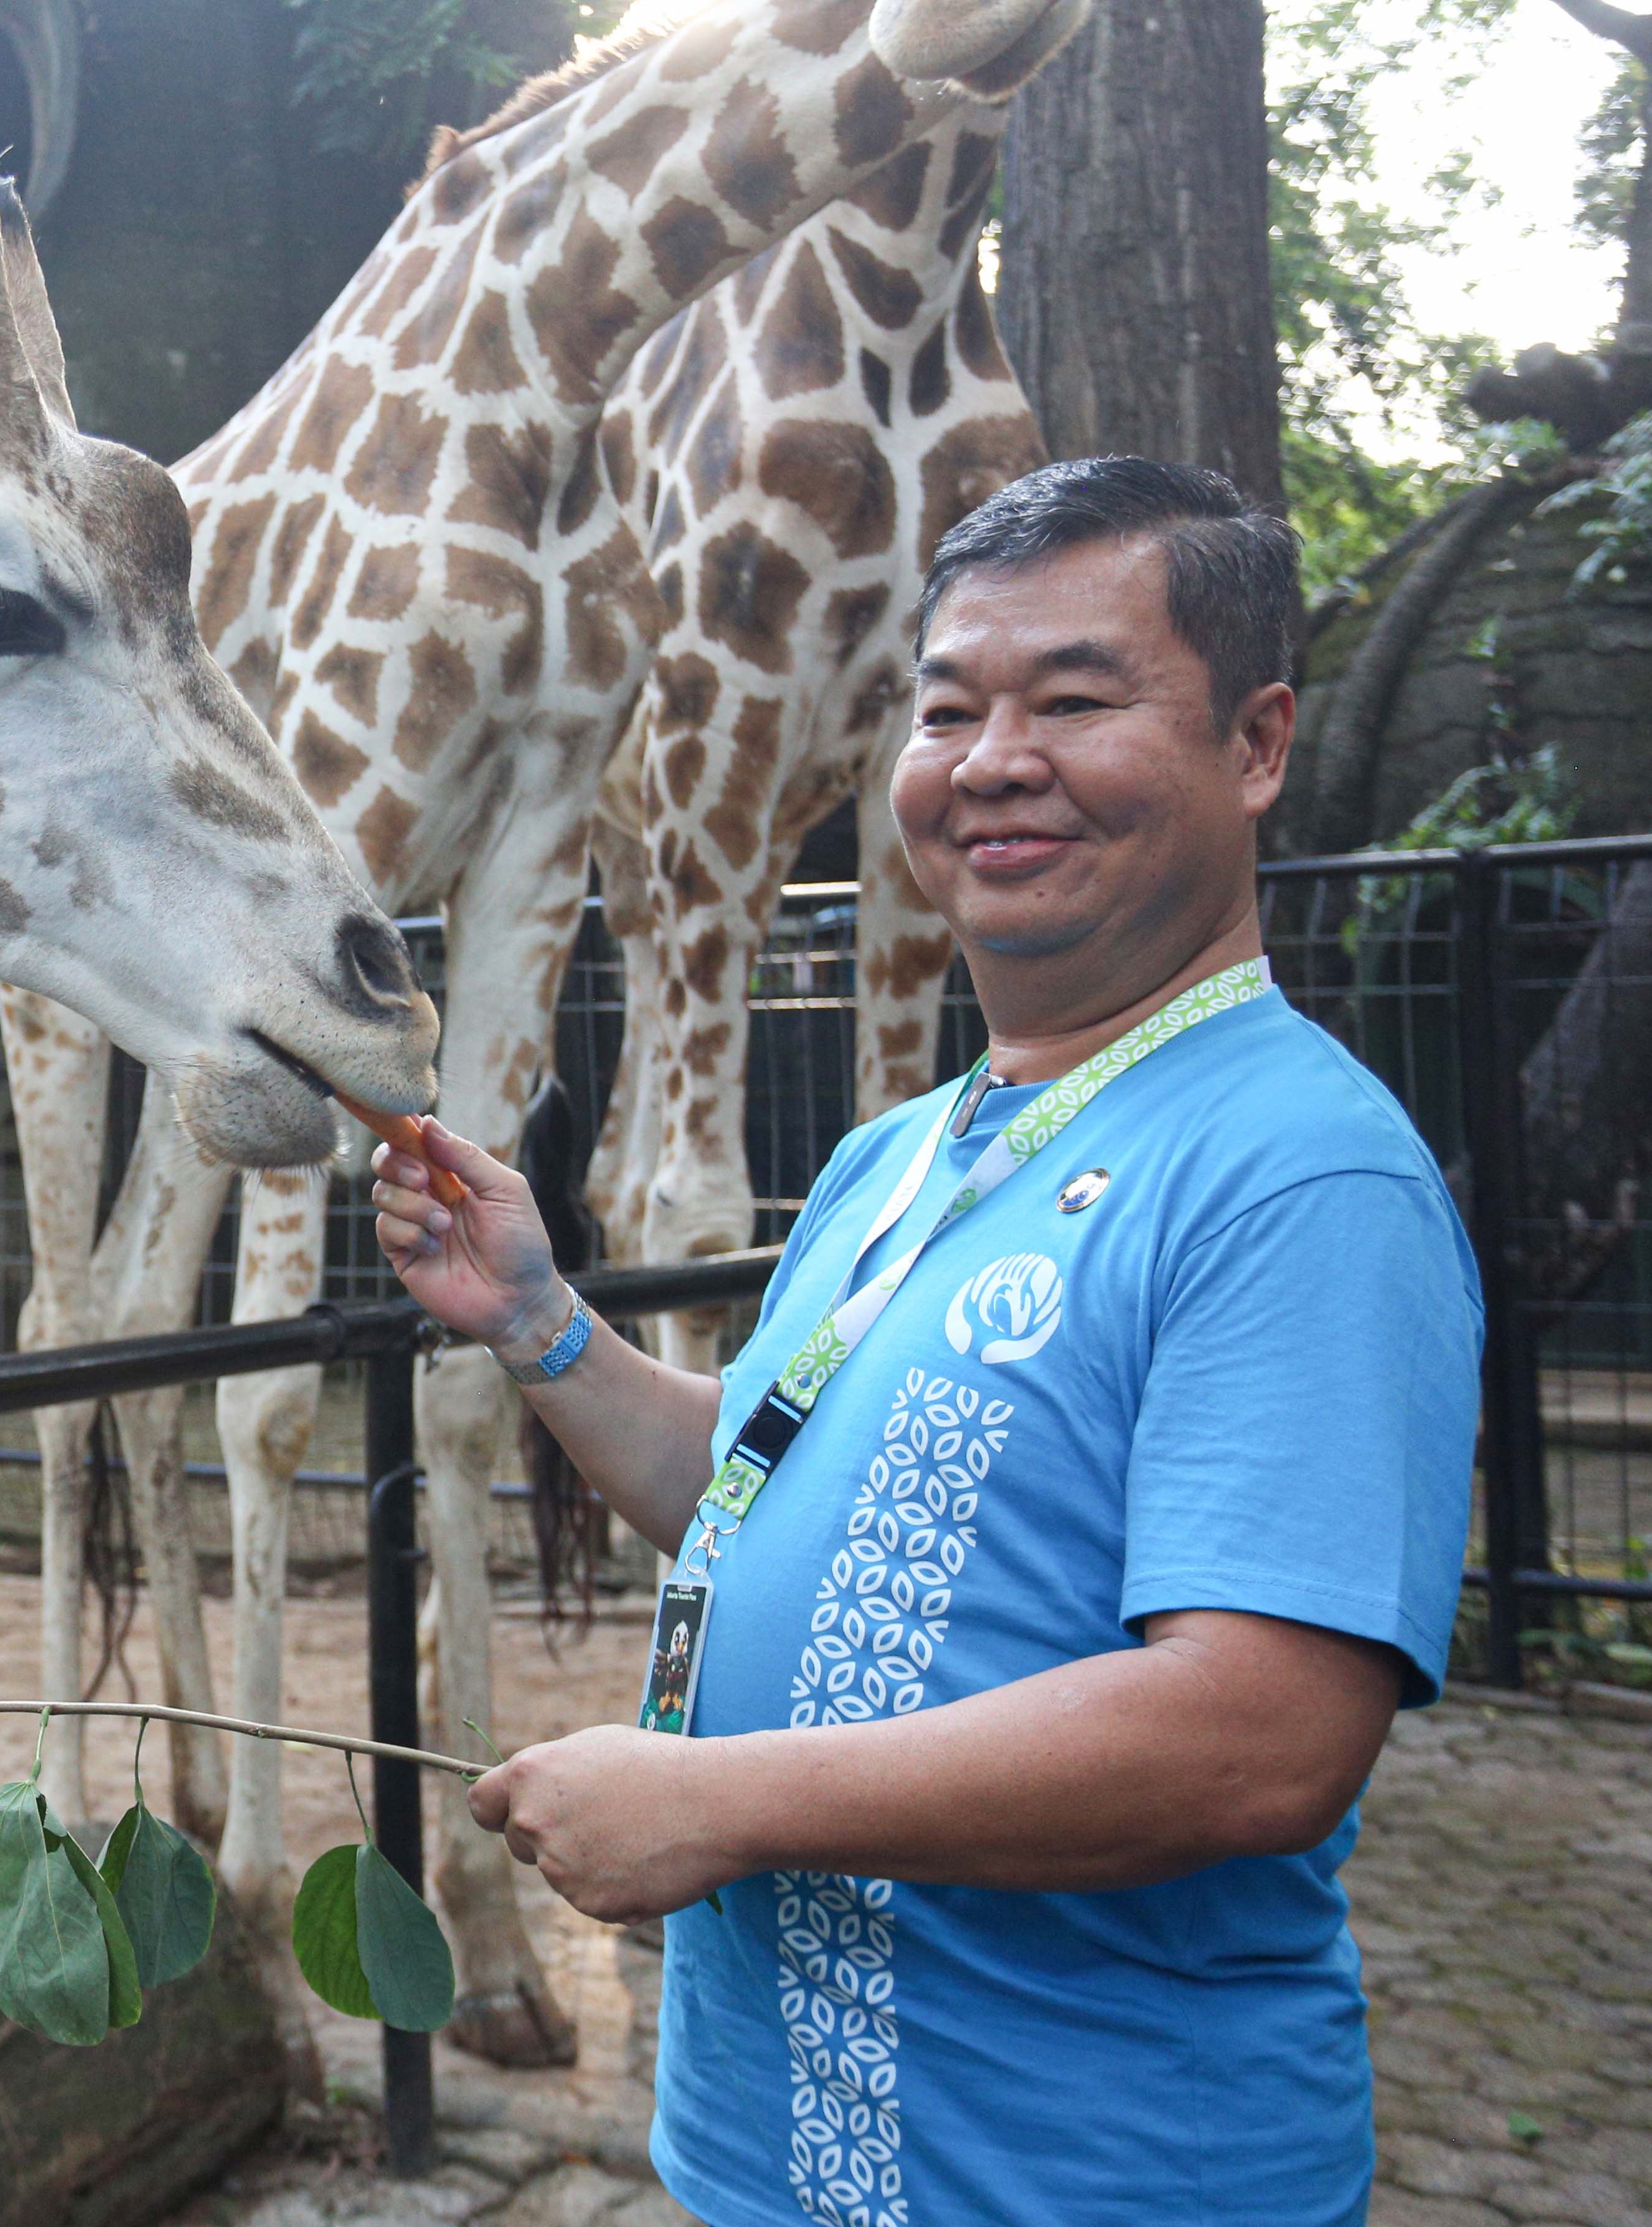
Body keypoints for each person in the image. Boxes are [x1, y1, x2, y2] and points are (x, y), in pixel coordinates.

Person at [371, 458, 1479, 2226]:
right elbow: (771, 1480)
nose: (991, 759)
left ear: (1255, 745)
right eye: (948, 706)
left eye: (1073, 699)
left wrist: (722, 1799)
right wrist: (540, 1320)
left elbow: (1264, 1730)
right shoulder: (899, 1152)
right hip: (772, 2167)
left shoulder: (1300, 1170)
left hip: (1081, 2186)